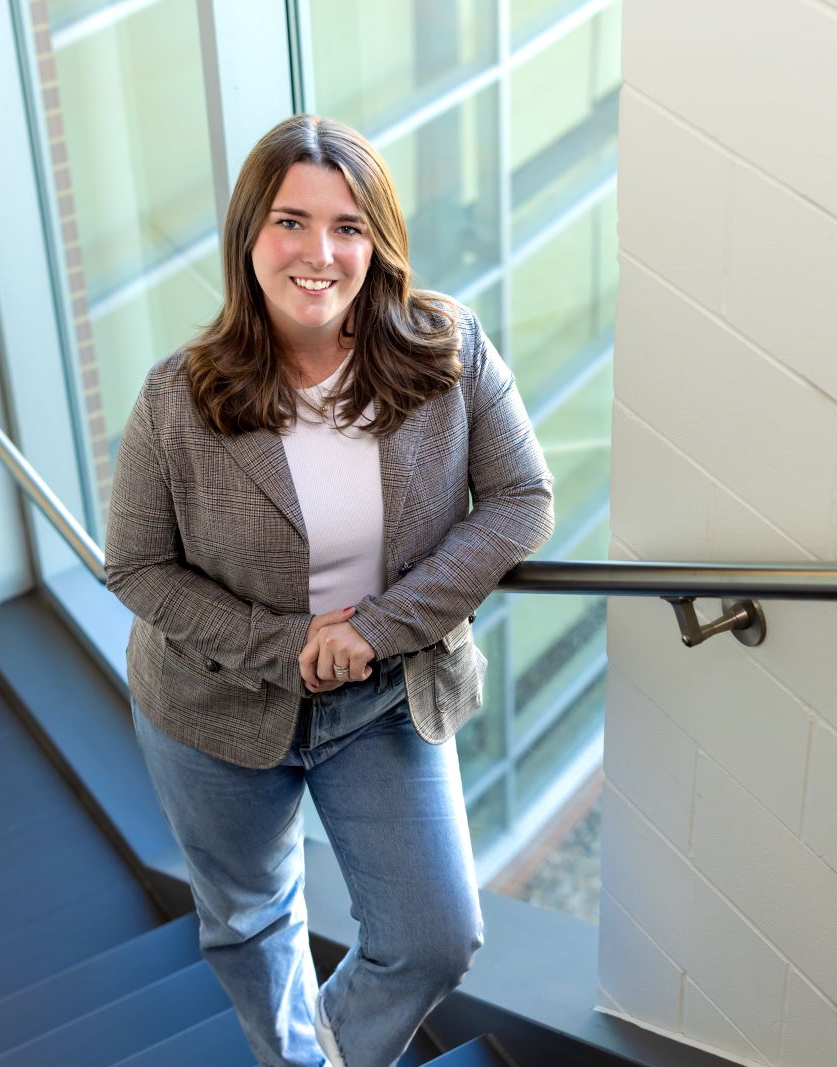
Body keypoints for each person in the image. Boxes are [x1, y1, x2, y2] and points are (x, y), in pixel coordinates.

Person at [104, 113, 554, 1067]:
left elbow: (521, 499)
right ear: (249, 238)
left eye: (349, 226)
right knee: (247, 918)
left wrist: (378, 629)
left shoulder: (448, 348)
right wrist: (288, 644)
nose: (320, 252)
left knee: (435, 935)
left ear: (378, 242)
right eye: (291, 222)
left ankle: (325, 1057)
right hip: (212, 706)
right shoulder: (174, 398)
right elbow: (138, 566)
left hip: (388, 698)